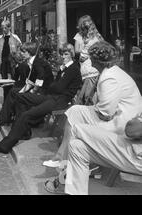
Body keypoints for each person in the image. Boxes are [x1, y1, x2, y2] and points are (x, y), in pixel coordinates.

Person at [43, 41, 142, 193]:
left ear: (96, 60)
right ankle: (63, 164)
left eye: (90, 58)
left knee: (77, 131)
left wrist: (95, 110)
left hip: (123, 125)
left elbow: (105, 113)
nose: (88, 61)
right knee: (75, 117)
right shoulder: (112, 72)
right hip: (122, 120)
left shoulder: (110, 77)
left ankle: (62, 169)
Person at [0, 43, 82, 154]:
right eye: (62, 54)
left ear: (72, 55)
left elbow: (57, 87)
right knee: (20, 96)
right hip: (51, 97)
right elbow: (55, 86)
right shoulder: (63, 69)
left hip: (59, 102)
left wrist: (53, 85)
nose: (63, 57)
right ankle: (23, 129)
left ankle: (4, 146)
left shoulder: (73, 69)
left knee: (26, 115)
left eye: (66, 54)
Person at [45, 113, 142, 195]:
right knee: (77, 147)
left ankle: (63, 180)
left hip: (136, 154)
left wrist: (135, 119)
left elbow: (130, 129)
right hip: (132, 147)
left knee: (76, 128)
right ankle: (70, 186)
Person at [0, 41, 54, 129]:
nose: (21, 53)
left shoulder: (37, 62)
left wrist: (34, 90)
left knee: (17, 94)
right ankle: (4, 119)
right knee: (13, 91)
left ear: (30, 52)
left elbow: (41, 77)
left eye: (24, 52)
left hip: (44, 90)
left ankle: (12, 122)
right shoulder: (30, 61)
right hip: (35, 87)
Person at [73, 15, 103, 105]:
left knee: (88, 96)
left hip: (92, 70)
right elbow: (76, 50)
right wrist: (84, 52)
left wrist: (89, 54)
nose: (84, 29)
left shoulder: (96, 35)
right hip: (84, 69)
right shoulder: (79, 35)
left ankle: (92, 114)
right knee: (85, 96)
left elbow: (103, 49)